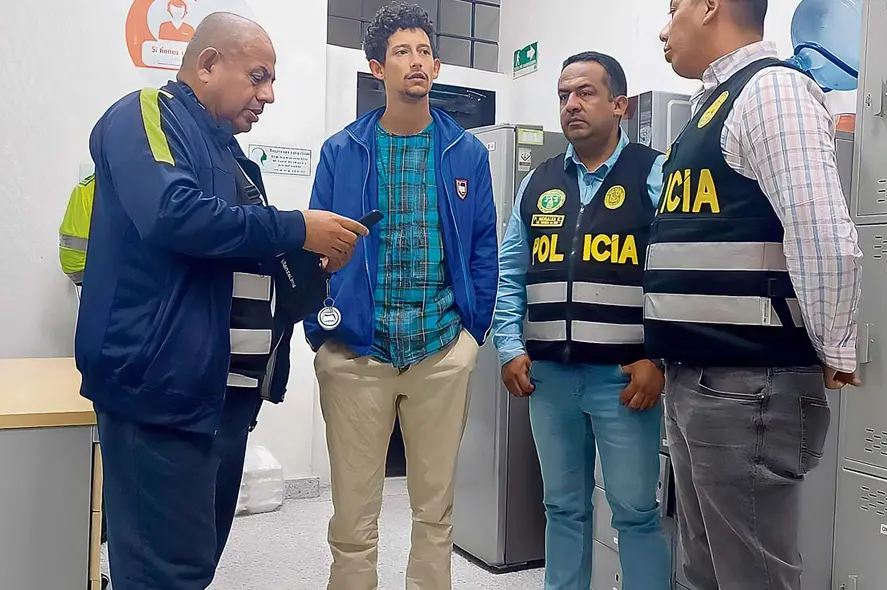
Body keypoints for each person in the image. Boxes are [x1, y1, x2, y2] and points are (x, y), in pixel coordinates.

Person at [77, 12, 368, 590]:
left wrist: (311, 258)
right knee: (163, 574)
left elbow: (237, 253)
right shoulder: (146, 114)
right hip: (159, 392)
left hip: (221, 399)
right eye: (258, 76)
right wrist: (295, 228)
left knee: (193, 566)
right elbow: (172, 214)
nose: (269, 94)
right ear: (207, 63)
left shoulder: (232, 157)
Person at [646, 1, 864, 589]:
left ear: (711, 6)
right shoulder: (712, 107)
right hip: (700, 378)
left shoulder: (772, 93)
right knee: (705, 572)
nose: (664, 29)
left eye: (674, 9)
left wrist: (834, 347)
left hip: (748, 386)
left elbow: (824, 238)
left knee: (752, 577)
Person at [303, 4, 498, 589]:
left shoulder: (467, 152)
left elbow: (485, 246)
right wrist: (323, 335)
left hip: (441, 350)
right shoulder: (343, 151)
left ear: (436, 66)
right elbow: (312, 249)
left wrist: (471, 335)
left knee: (434, 514)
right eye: (401, 53)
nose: (415, 62)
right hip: (357, 354)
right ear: (376, 69)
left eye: (423, 52)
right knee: (354, 522)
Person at [493, 51, 672, 590]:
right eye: (564, 94)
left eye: (586, 93)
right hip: (548, 378)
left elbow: (673, 272)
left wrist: (657, 355)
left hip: (623, 380)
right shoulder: (539, 182)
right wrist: (508, 345)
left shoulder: (654, 172)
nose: (572, 104)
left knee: (636, 513)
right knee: (563, 509)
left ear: (619, 104)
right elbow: (510, 271)